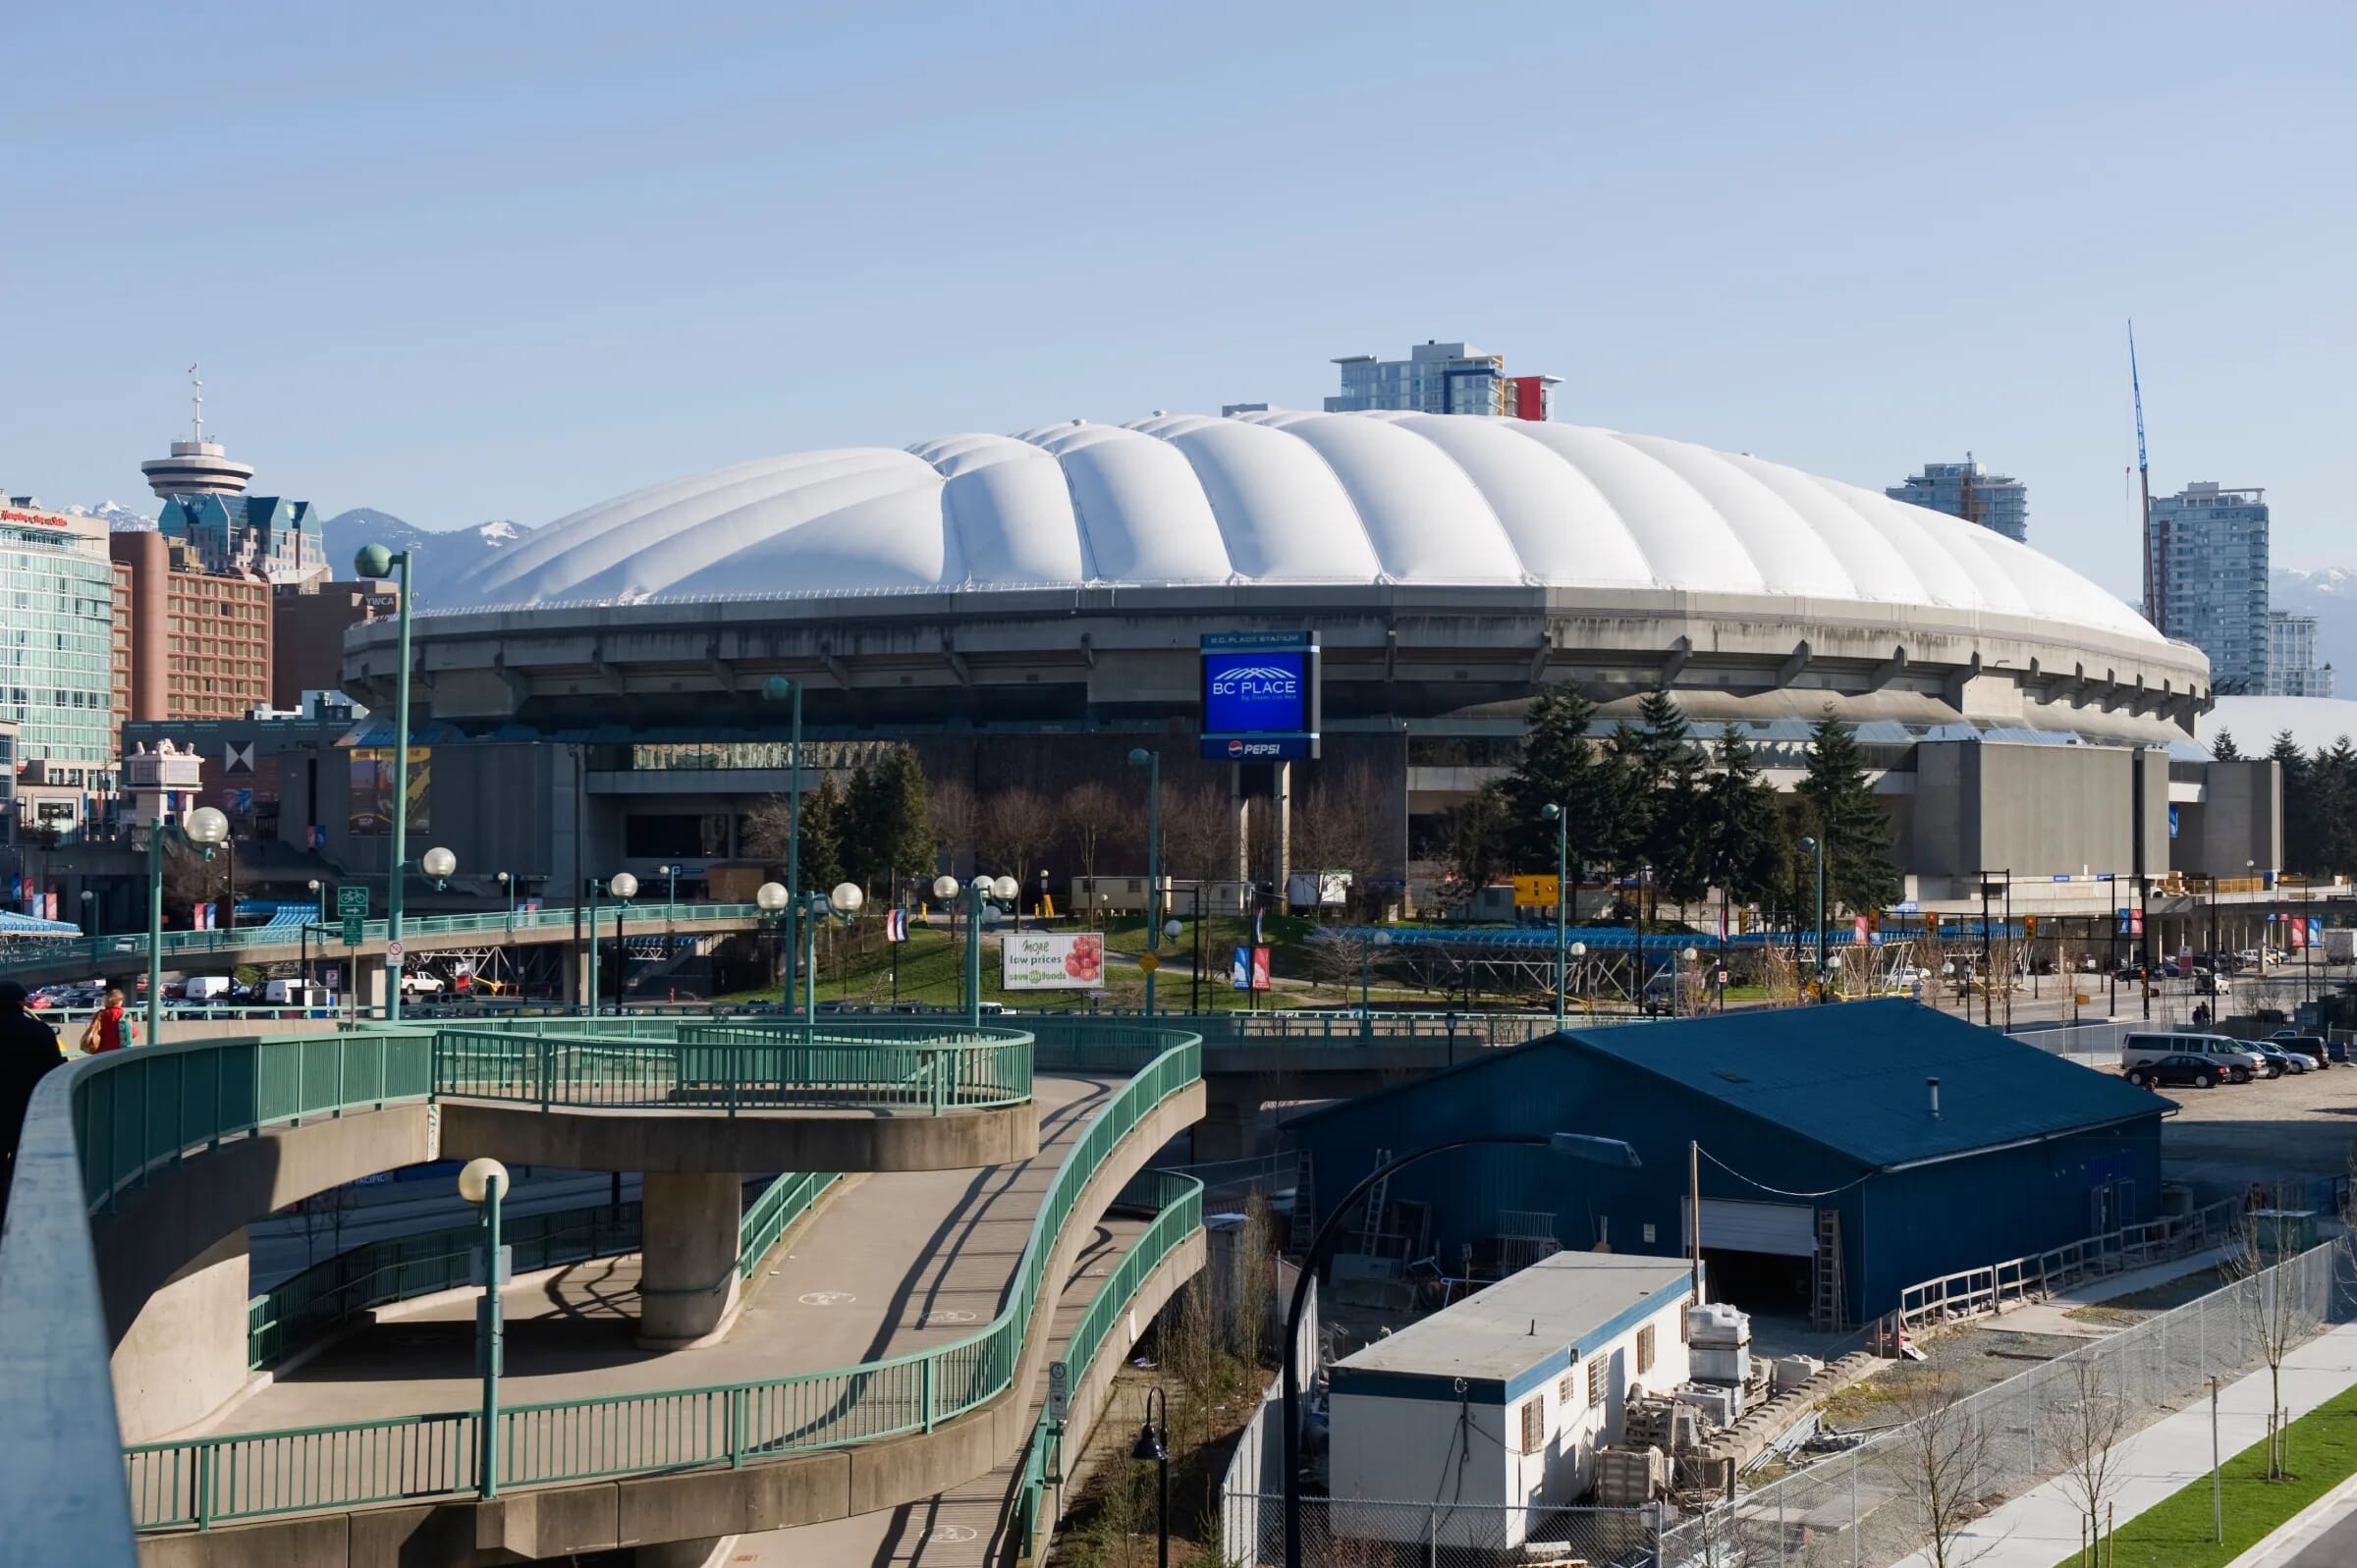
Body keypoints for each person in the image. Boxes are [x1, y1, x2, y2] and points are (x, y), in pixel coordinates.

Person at [0, 980, 70, 1220]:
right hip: (27, 1107)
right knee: (23, 1162)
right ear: (20, 1003)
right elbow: (53, 1068)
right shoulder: (38, 1031)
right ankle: (20, 1212)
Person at [79, 988, 131, 1054]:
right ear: (120, 1001)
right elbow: (133, 1033)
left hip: (101, 1052)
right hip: (119, 1052)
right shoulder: (124, 1015)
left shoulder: (100, 1014)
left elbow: (93, 1028)